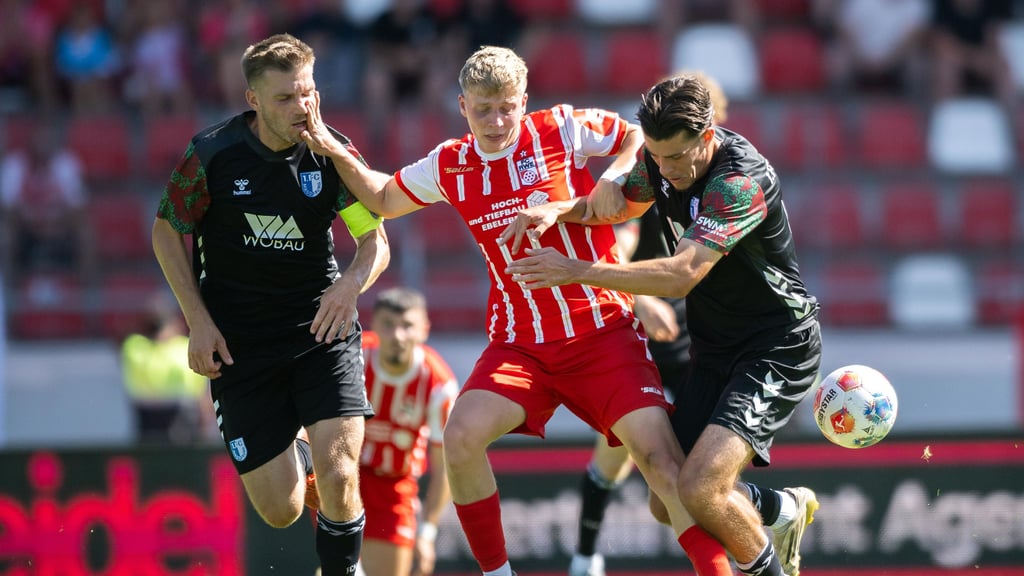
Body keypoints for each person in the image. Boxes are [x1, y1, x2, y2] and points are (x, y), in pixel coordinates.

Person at [302, 45, 735, 576]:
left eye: (507, 106)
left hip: (601, 333)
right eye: (483, 108)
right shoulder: (451, 163)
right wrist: (331, 148)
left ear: (523, 101)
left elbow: (633, 137)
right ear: (463, 106)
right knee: (460, 438)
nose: (496, 119)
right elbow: (385, 198)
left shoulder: (560, 127)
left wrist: (612, 177)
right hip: (521, 346)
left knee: (663, 466)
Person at [503, 74, 823, 576]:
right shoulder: (658, 162)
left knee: (700, 489)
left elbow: (681, 276)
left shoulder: (738, 183)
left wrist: (578, 270)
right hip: (715, 348)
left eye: (676, 158)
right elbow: (612, 208)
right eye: (655, 155)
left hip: (776, 348)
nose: (665, 169)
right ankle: (780, 510)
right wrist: (562, 209)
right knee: (668, 496)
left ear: (709, 136)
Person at [150, 33, 390, 576]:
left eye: (307, 92)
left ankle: (342, 570)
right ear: (253, 100)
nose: (302, 107)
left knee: (341, 473)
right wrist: (198, 323)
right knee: (280, 510)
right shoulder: (212, 154)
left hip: (320, 331)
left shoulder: (333, 153)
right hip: (239, 346)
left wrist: (350, 285)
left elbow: (375, 241)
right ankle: (298, 453)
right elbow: (167, 233)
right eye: (285, 98)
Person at [359, 287, 458, 576]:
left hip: (395, 489)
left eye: (407, 326)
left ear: (424, 330)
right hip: (343, 478)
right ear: (375, 325)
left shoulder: (439, 385)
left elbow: (445, 469)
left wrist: (427, 533)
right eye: (388, 325)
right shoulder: (352, 359)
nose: (398, 336)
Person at [121, 291, 214, 444]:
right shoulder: (184, 348)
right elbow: (201, 397)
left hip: (148, 421)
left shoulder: (133, 348)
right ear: (173, 324)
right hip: (183, 420)